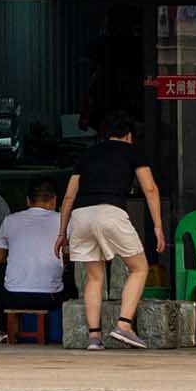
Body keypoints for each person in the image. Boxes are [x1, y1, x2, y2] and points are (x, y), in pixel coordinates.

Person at [55, 114, 166, 350]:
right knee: (139, 268)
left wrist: (61, 232)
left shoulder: (87, 155)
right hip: (110, 212)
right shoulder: (132, 151)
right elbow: (150, 188)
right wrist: (157, 227)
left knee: (94, 277)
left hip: (81, 215)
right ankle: (124, 325)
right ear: (128, 136)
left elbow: (68, 196)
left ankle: (94, 337)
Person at [0, 179, 67, 315]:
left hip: (13, 297)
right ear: (54, 200)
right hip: (50, 297)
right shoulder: (64, 221)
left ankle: (4, 327)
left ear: (27, 201)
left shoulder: (10, 220)